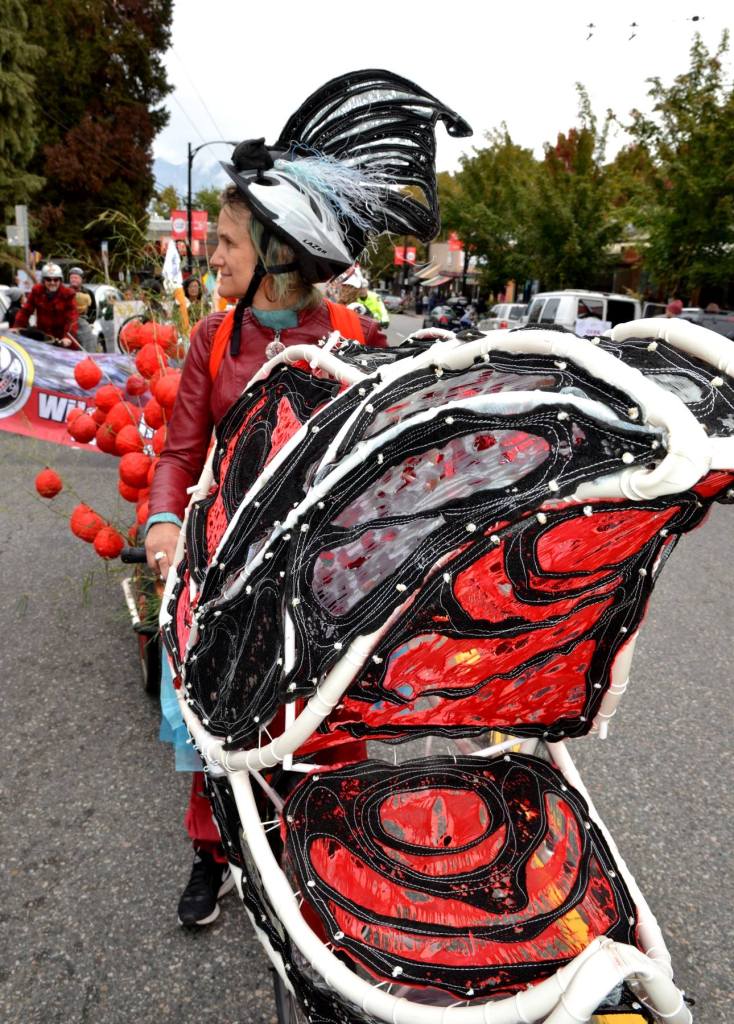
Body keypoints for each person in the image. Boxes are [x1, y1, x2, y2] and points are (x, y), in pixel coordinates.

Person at [144, 68, 469, 928]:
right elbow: (178, 453)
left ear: (279, 253)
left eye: (227, 243)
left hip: (328, 579)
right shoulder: (213, 341)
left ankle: (318, 856)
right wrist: (166, 522)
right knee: (220, 724)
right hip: (226, 568)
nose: (213, 256)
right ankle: (213, 854)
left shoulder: (357, 339)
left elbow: (396, 466)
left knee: (320, 723)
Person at [14, 263, 78, 345]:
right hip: (43, 337)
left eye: (56, 280)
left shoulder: (68, 294)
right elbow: (25, 311)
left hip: (61, 339)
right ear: (43, 280)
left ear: (60, 280)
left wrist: (67, 337)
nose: (52, 283)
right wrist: (16, 328)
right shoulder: (37, 291)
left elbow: (72, 319)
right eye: (48, 279)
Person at [67, 267, 97, 352]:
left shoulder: (88, 292)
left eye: (76, 278)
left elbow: (93, 310)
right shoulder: (65, 292)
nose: (74, 280)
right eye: (72, 278)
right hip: (68, 323)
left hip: (83, 322)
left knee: (89, 342)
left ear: (81, 279)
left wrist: (89, 322)